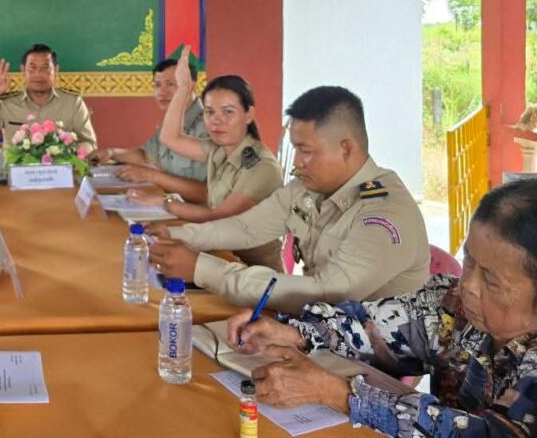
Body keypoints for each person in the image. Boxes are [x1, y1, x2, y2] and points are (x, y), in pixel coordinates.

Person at [226, 181, 537, 438]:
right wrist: (294, 333)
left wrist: (341, 395)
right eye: (468, 261)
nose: (468, 285)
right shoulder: (452, 306)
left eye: (491, 280)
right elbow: (372, 325)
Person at [148, 64, 429, 314]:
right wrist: (173, 235)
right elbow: (246, 228)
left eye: (306, 151)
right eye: (295, 149)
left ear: (346, 149)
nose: (296, 162)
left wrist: (203, 269)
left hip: (369, 351)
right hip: (318, 332)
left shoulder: (383, 214)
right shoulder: (308, 190)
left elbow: (325, 293)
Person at [130, 71, 284, 270]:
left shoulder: (261, 166)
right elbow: (169, 138)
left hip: (254, 272)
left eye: (228, 112)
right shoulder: (218, 149)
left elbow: (218, 217)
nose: (216, 120)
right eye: (209, 112)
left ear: (248, 115)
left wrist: (166, 202)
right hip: (219, 256)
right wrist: (183, 89)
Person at [88, 57, 208, 191]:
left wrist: (152, 176)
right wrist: (111, 153)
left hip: (183, 203)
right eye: (157, 85)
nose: (162, 92)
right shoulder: (171, 121)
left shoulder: (209, 126)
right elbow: (146, 156)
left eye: (170, 84)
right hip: (164, 199)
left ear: (190, 86)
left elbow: (208, 194)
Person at [0, 43, 96, 152]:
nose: (38, 74)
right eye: (32, 68)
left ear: (56, 70)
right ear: (23, 70)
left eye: (45, 68)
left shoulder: (73, 103)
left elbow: (89, 143)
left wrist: (66, 154)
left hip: (59, 172)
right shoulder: (7, 103)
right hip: (14, 173)